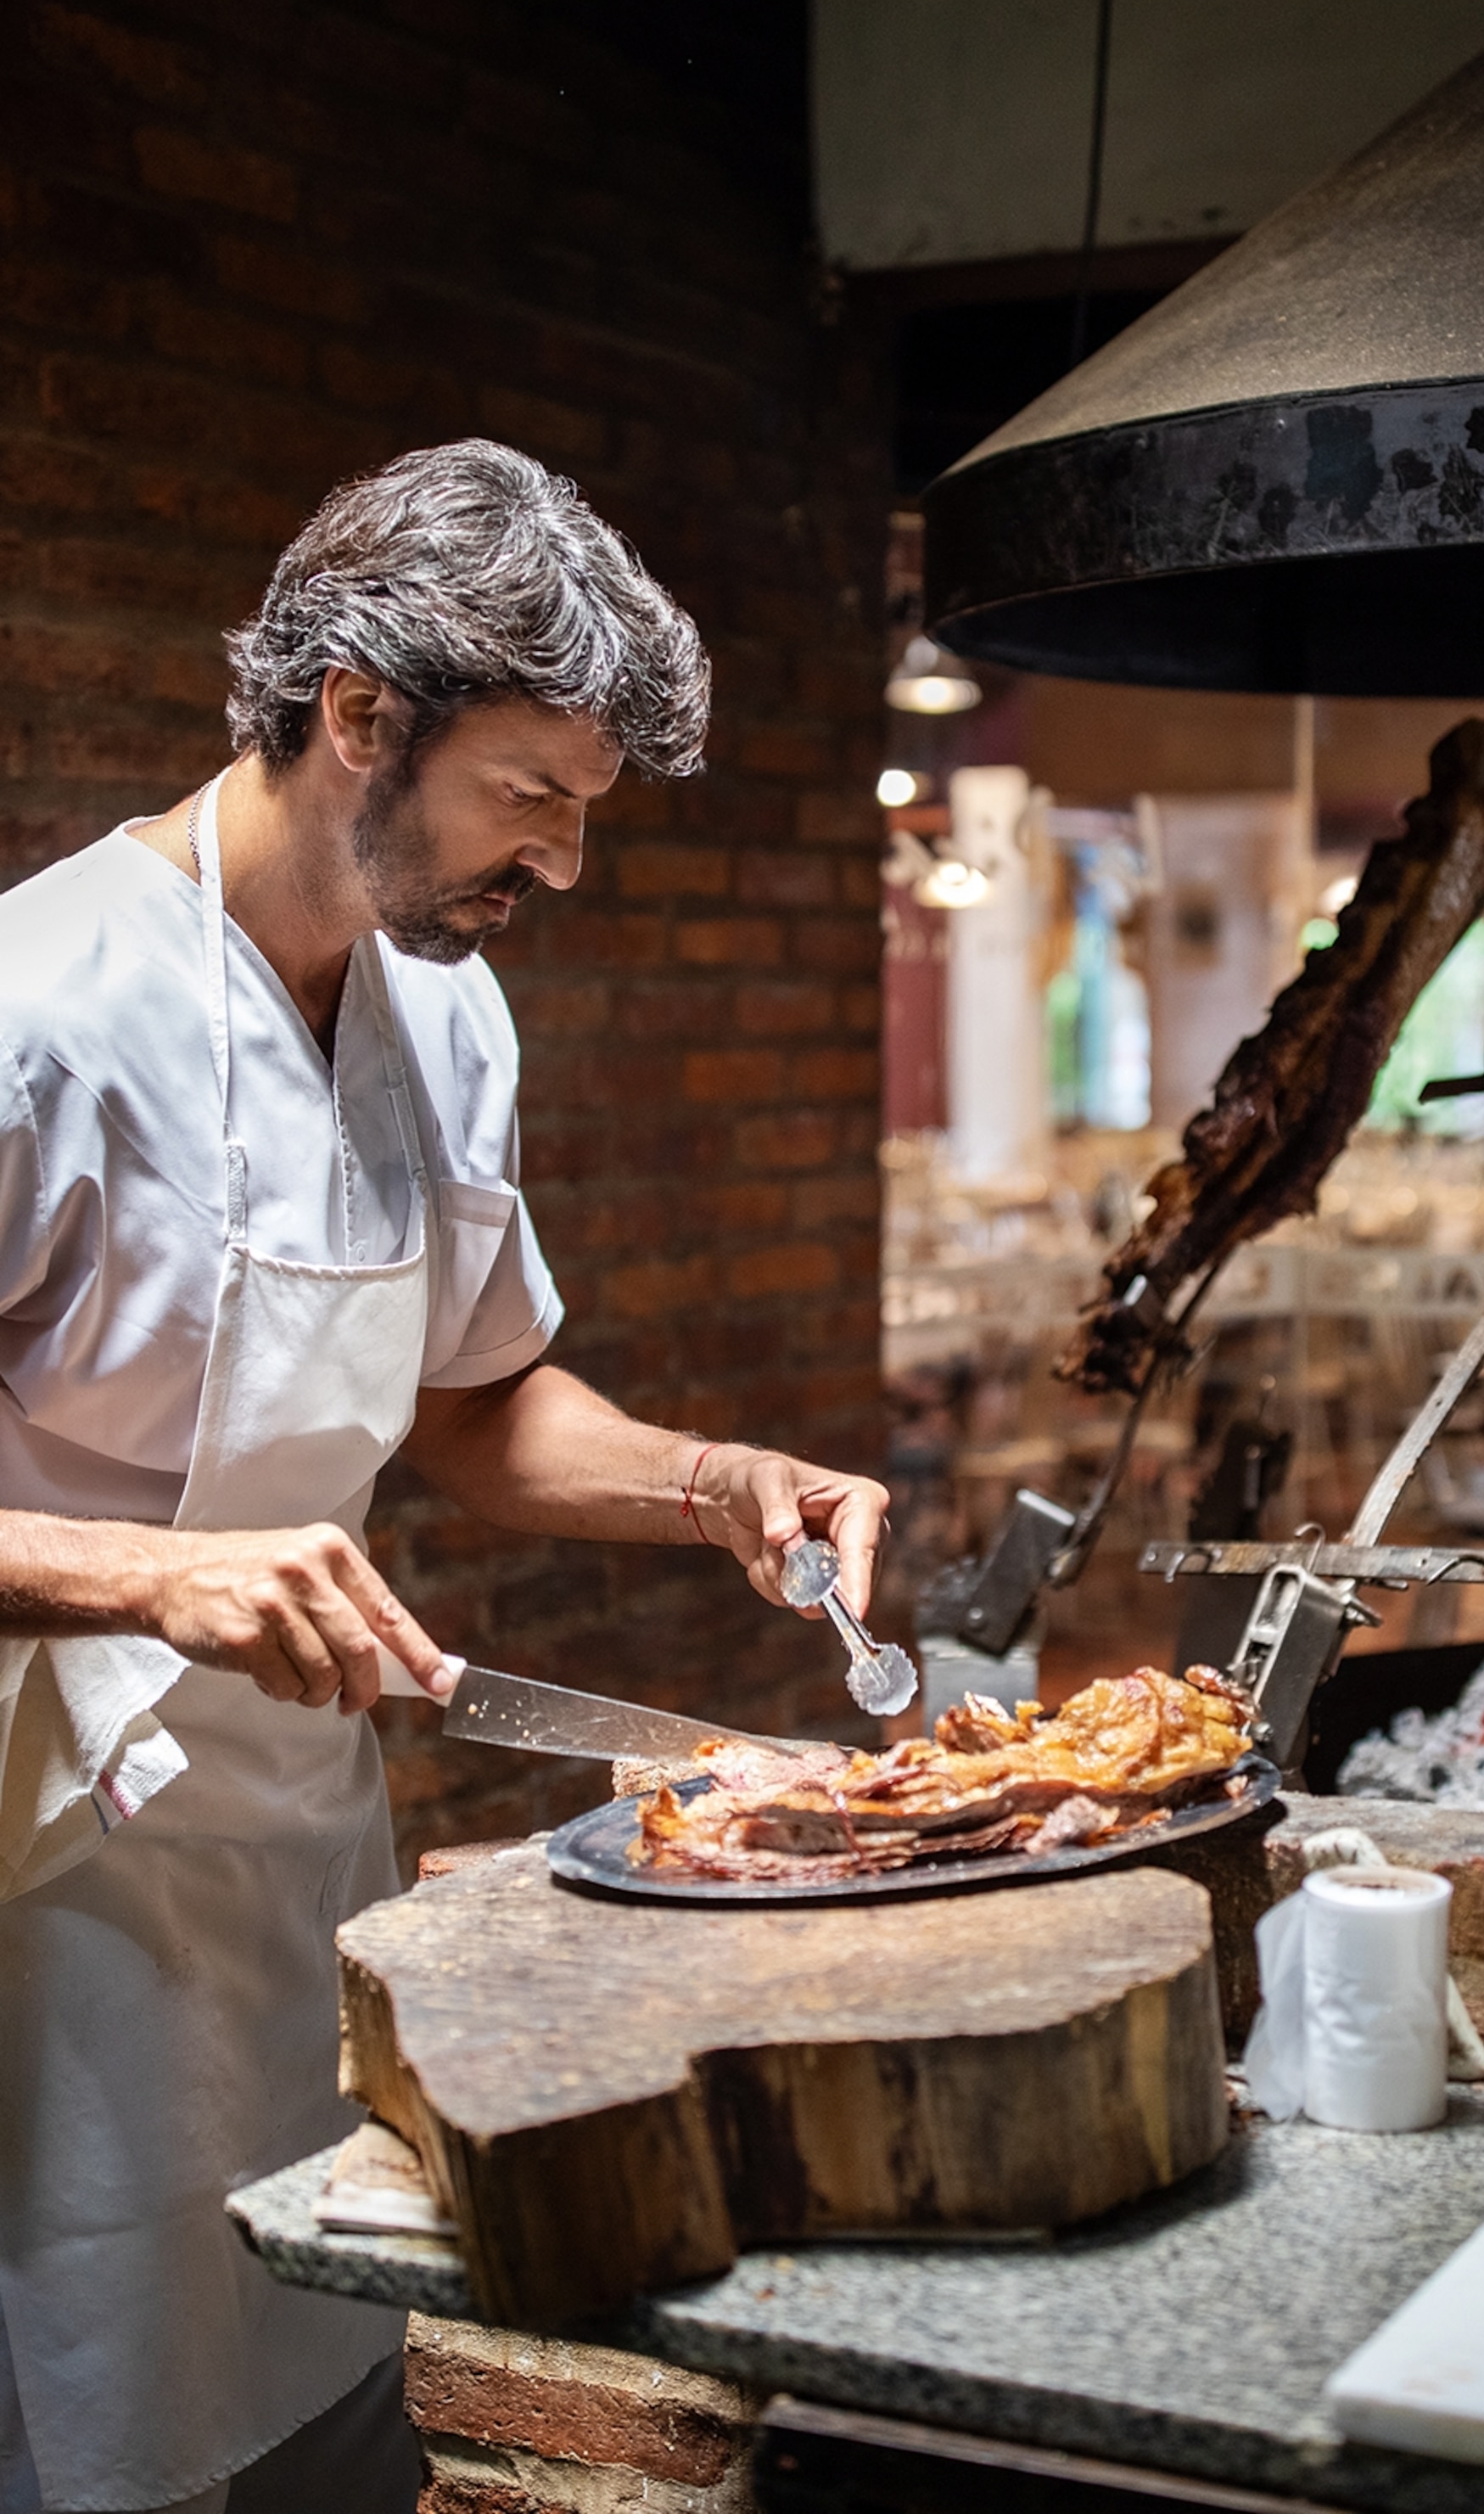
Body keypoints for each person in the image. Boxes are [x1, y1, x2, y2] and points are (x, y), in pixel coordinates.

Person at [0, 441, 890, 2514]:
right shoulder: (43, 1007)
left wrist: (709, 1480)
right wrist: (152, 1581)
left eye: (591, 814)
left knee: (315, 2378)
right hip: (34, 1871)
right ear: (357, 719)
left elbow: (482, 1401)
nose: (565, 868)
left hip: (294, 1841)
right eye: (537, 799)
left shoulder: (446, 1016)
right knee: (82, 2404)